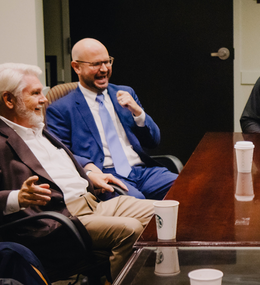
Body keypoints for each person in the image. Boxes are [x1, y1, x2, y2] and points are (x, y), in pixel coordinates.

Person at [0, 63, 154, 279]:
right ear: (9, 100)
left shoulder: (34, 126)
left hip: (91, 203)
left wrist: (89, 173)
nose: (44, 99)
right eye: (35, 93)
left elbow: (56, 163)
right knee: (131, 229)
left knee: (165, 214)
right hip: (57, 218)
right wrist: (18, 197)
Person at [45, 38, 177, 200]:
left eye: (107, 62)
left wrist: (138, 113)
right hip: (106, 174)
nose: (104, 69)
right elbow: (61, 153)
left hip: (143, 172)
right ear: (76, 67)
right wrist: (88, 169)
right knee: (137, 202)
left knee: (189, 187)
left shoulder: (125, 93)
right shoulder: (61, 109)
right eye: (95, 64)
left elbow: (153, 141)